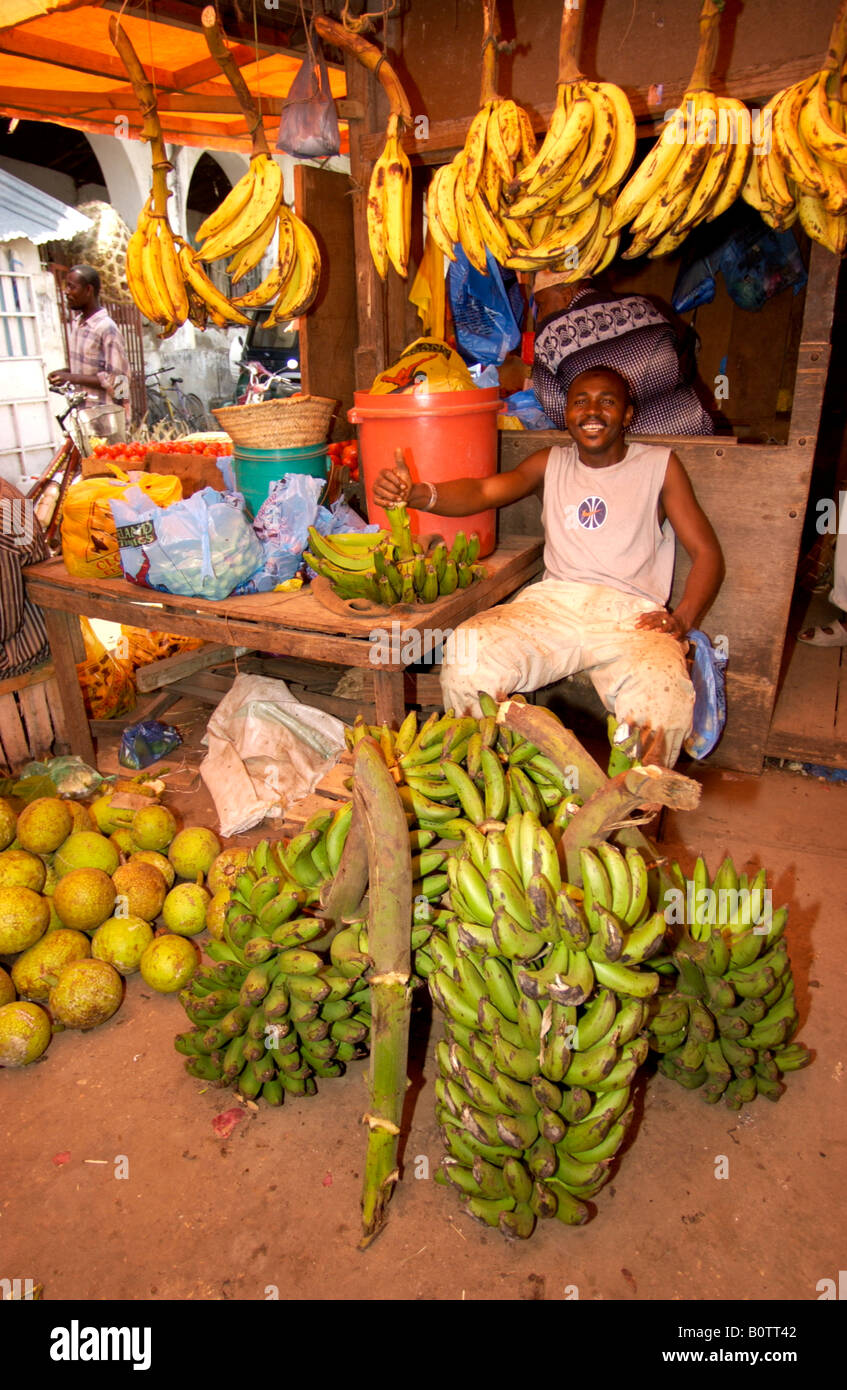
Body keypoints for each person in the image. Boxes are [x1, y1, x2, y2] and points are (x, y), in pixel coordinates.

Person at [373, 366, 724, 768]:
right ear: (567, 415)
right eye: (580, 402)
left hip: (631, 616)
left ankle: (634, 804)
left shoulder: (659, 466)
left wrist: (682, 618)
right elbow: (484, 490)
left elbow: (707, 553)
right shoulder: (550, 463)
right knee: (469, 654)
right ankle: (491, 780)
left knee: (661, 694)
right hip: (551, 606)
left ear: (628, 414)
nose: (592, 411)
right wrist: (418, 493)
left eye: (607, 401)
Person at [531, 273, 716, 438]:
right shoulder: (643, 305)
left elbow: (562, 415)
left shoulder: (551, 333)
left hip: (631, 456)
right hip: (695, 434)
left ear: (567, 294)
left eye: (541, 305)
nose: (539, 317)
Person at [47, 264, 131, 444]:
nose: (66, 292)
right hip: (84, 417)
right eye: (66, 286)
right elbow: (91, 368)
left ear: (88, 290)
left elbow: (119, 381)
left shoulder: (107, 328)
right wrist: (66, 373)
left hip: (105, 420)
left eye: (71, 286)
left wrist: (71, 376)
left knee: (106, 470)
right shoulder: (78, 324)